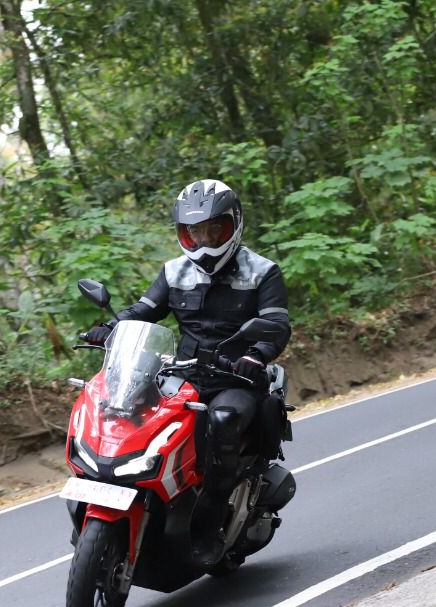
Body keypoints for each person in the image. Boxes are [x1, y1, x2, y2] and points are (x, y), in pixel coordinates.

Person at [81, 178, 291, 562]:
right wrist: (112, 330)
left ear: (234, 224)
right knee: (127, 408)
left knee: (224, 419)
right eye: (194, 232)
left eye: (215, 229)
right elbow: (143, 312)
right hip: (182, 372)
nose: (205, 241)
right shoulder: (174, 272)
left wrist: (257, 355)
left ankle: (209, 523)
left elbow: (276, 324)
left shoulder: (262, 271)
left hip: (236, 375)